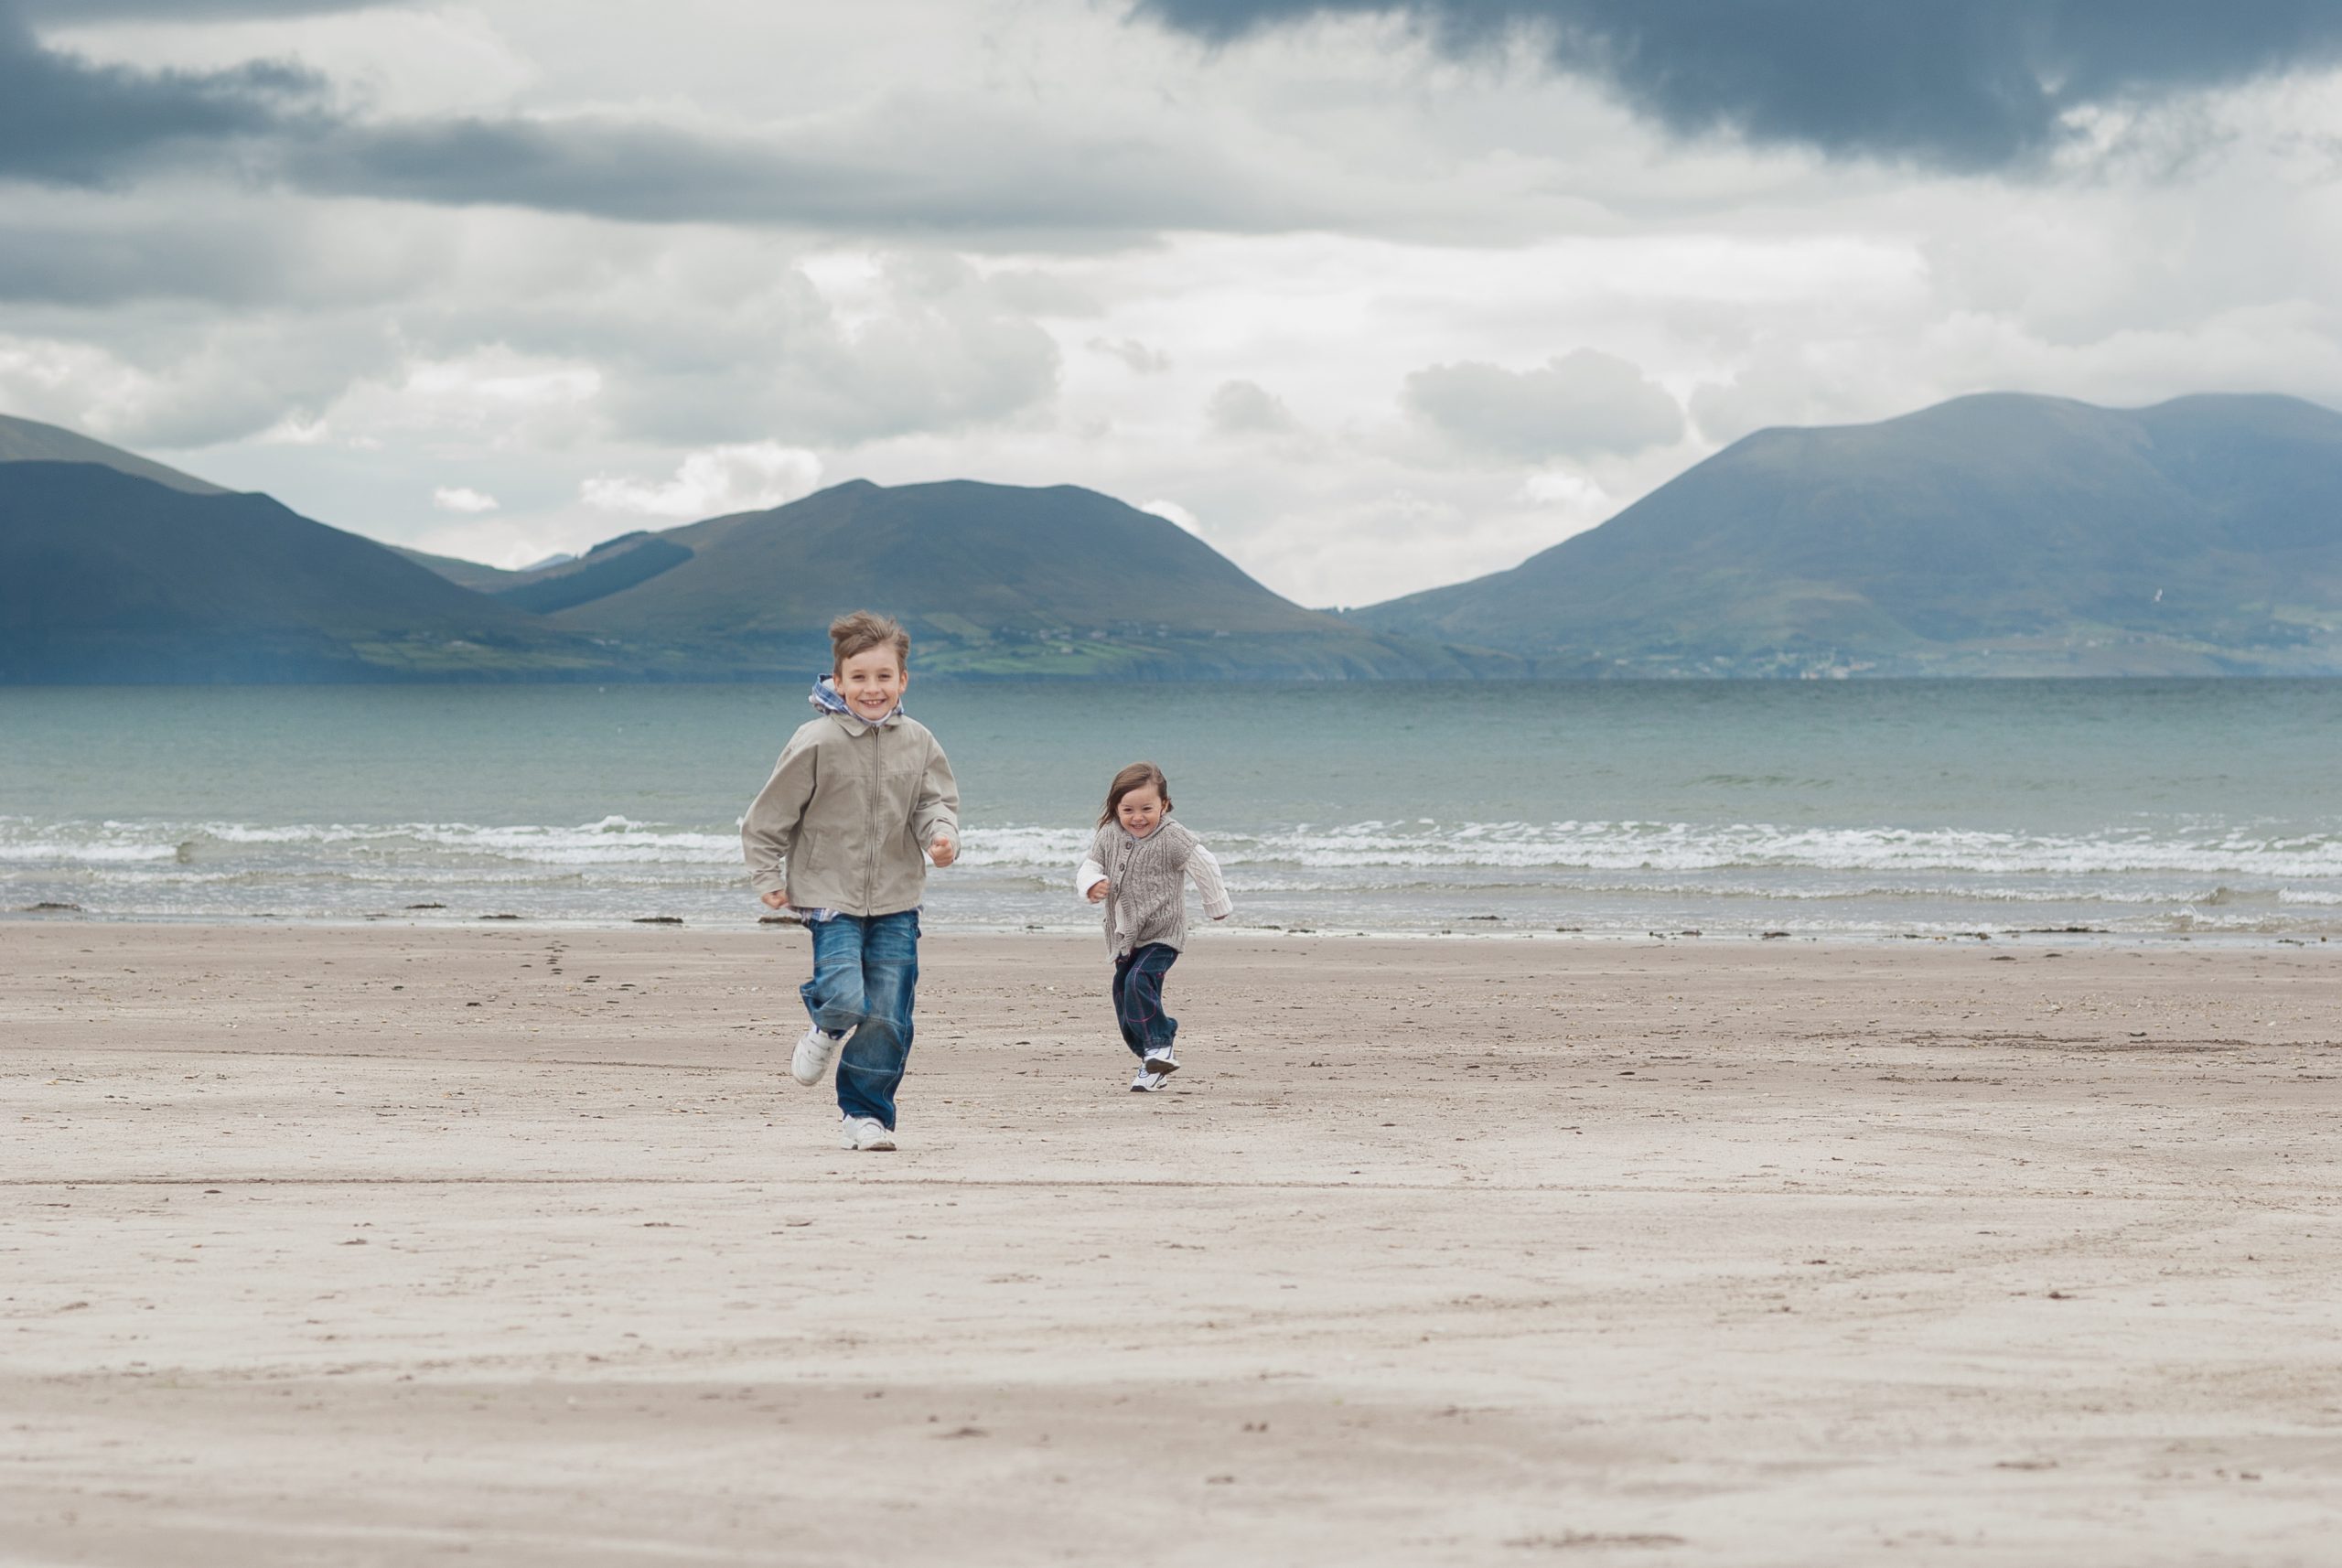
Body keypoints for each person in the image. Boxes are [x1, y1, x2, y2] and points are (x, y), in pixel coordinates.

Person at [741, 611, 959, 1151]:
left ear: (903, 681)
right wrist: (768, 875)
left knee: (887, 1013)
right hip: (826, 894)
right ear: (837, 681)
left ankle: (866, 1116)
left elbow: (935, 802)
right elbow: (768, 817)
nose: (872, 688)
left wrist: (942, 836)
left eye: (884, 676)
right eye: (859, 677)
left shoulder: (919, 741)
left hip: (897, 897)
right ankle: (826, 1025)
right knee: (844, 997)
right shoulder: (815, 740)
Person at [1075, 761, 1232, 1092]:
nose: (1138, 817)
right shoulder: (1108, 835)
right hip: (1124, 935)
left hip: (1163, 933)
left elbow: (1204, 863)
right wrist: (1091, 885)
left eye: (1147, 808)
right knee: (1123, 995)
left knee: (1138, 980)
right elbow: (1089, 866)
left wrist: (1216, 905)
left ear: (1164, 803)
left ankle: (1161, 1044)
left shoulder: (1173, 837)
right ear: (1116, 807)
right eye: (1128, 809)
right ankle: (1151, 1059)